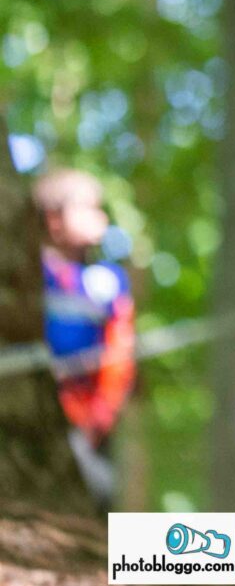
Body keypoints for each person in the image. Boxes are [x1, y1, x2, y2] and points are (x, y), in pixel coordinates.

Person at [38, 168, 135, 511]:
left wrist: (102, 412)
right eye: (88, 208)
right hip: (42, 407)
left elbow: (121, 350)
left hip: (89, 418)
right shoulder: (31, 276)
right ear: (54, 218)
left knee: (98, 496)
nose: (101, 218)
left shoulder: (109, 280)